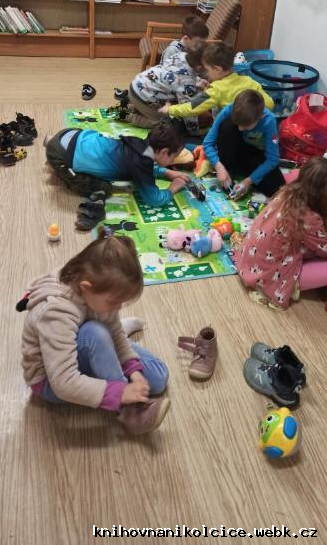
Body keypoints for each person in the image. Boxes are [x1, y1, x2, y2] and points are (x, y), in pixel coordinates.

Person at [19, 231, 170, 435]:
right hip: (51, 379)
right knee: (96, 333)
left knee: (158, 378)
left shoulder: (97, 290)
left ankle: (106, 349)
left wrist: (132, 369)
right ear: (86, 288)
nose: (118, 307)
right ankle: (128, 411)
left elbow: (114, 330)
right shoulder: (56, 312)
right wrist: (121, 392)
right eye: (114, 302)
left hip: (86, 339)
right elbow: (63, 383)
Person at [235, 157, 327, 309]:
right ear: (326, 194)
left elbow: (322, 240)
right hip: (267, 274)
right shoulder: (308, 217)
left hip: (249, 260)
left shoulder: (286, 192)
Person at [45, 119, 189, 204]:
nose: (175, 160)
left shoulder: (141, 144)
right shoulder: (142, 164)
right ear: (163, 152)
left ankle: (53, 141)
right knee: (104, 188)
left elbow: (140, 166)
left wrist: (166, 172)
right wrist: (172, 188)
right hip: (61, 156)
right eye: (174, 156)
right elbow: (153, 199)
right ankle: (56, 164)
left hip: (72, 134)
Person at [158, 41, 274, 121]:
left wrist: (170, 109)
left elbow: (192, 108)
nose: (206, 73)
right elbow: (270, 104)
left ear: (218, 69)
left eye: (207, 69)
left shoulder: (216, 89)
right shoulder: (248, 80)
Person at [203, 89, 284, 198]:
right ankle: (228, 169)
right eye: (238, 124)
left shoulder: (269, 121)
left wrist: (248, 181)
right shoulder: (229, 110)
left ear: (260, 117)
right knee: (227, 125)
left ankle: (242, 173)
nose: (240, 129)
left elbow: (272, 159)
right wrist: (219, 167)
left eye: (246, 126)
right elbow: (207, 143)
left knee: (278, 189)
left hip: (253, 154)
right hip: (231, 151)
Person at [127, 37, 207, 132]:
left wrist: (197, 81)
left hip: (136, 84)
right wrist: (195, 132)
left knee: (160, 111)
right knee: (163, 125)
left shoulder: (181, 55)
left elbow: (182, 74)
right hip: (142, 96)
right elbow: (188, 111)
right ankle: (126, 116)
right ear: (200, 66)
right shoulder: (186, 83)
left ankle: (129, 107)